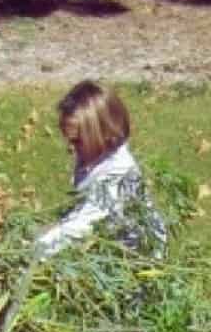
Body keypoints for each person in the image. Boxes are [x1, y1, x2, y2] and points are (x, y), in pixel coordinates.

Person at [36, 80, 167, 259]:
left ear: (104, 133)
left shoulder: (116, 173)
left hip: (135, 255)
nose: (70, 148)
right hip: (106, 238)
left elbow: (82, 226)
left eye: (77, 141)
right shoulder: (92, 154)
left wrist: (35, 250)